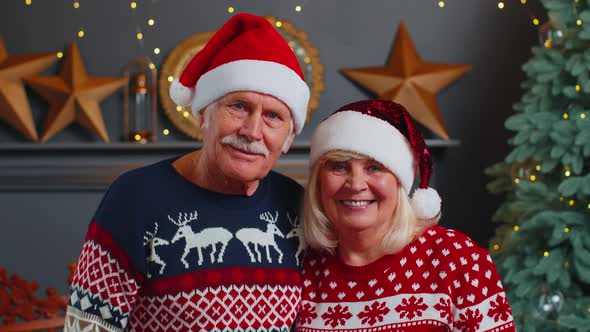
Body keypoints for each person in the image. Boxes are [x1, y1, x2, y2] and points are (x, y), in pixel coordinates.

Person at [64, 13, 310, 332]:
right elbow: (86, 326)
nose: (252, 131)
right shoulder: (135, 198)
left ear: (289, 138)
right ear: (203, 114)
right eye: (238, 106)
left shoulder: (296, 205)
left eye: (273, 116)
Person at [296, 100, 515, 331]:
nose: (356, 184)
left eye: (374, 167)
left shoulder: (457, 259)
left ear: (400, 182)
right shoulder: (302, 268)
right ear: (319, 182)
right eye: (339, 167)